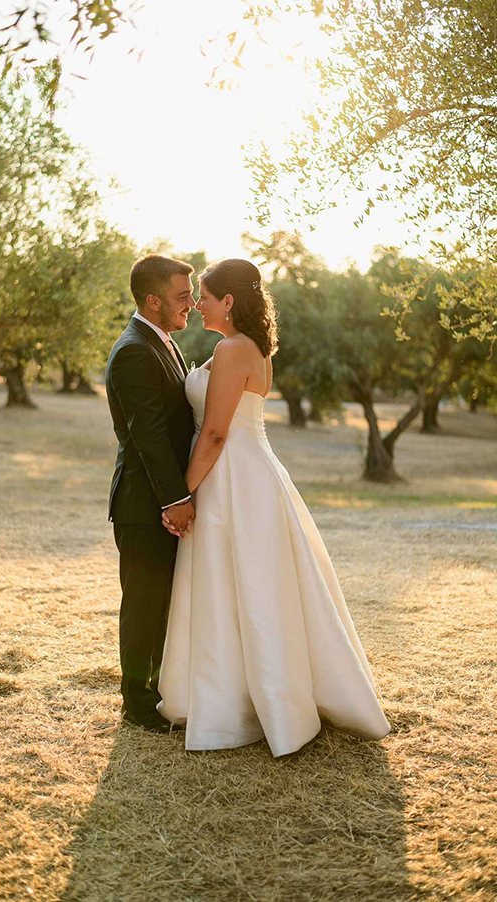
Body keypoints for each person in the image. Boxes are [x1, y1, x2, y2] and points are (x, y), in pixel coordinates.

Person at [158, 258, 391, 757]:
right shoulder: (253, 348)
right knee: (254, 585)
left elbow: (217, 432)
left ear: (229, 301)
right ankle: (244, 695)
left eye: (203, 295)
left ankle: (242, 705)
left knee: (246, 585)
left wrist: (183, 494)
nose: (196, 303)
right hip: (252, 471)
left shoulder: (233, 349)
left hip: (234, 479)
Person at [105, 254, 197, 733]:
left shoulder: (160, 341)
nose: (192, 304)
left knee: (160, 601)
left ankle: (159, 690)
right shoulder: (135, 350)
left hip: (157, 500)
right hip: (144, 505)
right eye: (183, 297)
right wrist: (175, 499)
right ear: (152, 300)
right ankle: (137, 705)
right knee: (143, 604)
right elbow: (149, 435)